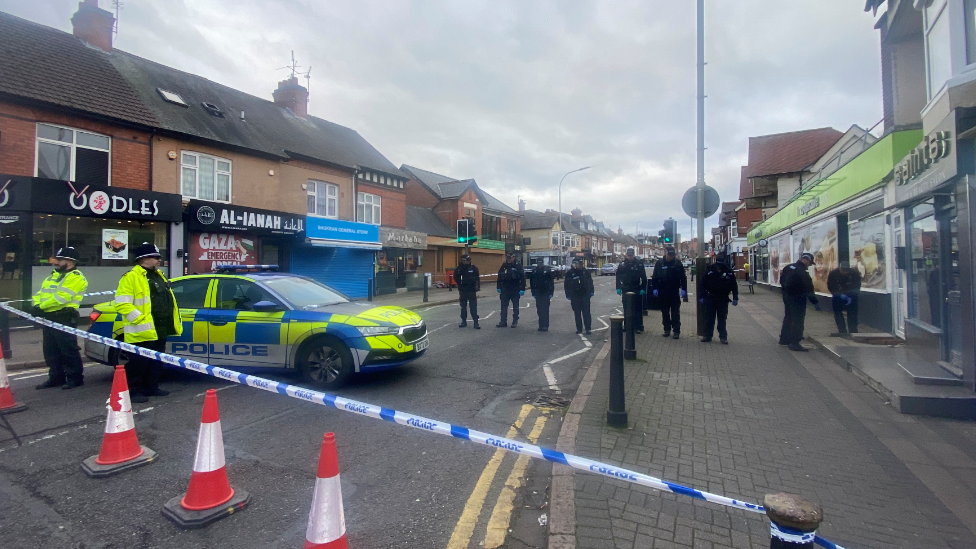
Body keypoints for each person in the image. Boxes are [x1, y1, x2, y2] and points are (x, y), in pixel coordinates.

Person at [116, 243, 183, 403]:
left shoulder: (158, 275)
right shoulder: (131, 277)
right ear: (144, 259)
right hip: (141, 330)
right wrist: (140, 319)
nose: (159, 260)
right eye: (156, 257)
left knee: (156, 361)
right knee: (138, 363)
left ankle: (151, 387)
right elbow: (122, 303)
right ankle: (135, 391)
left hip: (159, 328)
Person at [33, 247, 88, 390]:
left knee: (68, 350)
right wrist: (36, 304)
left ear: (70, 261)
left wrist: (41, 307)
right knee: (51, 350)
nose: (56, 262)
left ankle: (75, 378)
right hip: (49, 316)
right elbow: (40, 293)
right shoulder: (53, 275)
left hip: (64, 317)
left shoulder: (75, 277)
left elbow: (62, 298)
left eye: (59, 260)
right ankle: (56, 377)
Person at [779, 252, 820, 352]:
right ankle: (795, 342)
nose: (810, 265)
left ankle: (784, 339)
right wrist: (815, 302)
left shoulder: (788, 267)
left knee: (788, 317)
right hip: (798, 299)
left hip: (787, 297)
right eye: (810, 263)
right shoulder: (802, 272)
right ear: (806, 260)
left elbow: (781, 281)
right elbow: (809, 288)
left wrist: (786, 294)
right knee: (798, 320)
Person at [699, 252, 739, 344]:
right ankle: (707, 336)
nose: (719, 267)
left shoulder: (728, 271)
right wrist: (702, 296)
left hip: (723, 299)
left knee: (722, 319)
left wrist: (735, 297)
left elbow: (734, 286)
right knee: (709, 318)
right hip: (710, 298)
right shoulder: (709, 270)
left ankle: (723, 337)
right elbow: (702, 284)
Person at [651, 247, 687, 339]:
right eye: (669, 255)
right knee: (665, 311)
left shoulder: (677, 263)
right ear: (665, 253)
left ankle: (676, 331)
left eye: (672, 255)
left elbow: (683, 277)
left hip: (674, 290)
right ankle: (666, 329)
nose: (670, 257)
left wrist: (684, 289)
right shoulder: (659, 263)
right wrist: (654, 288)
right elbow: (654, 277)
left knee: (675, 312)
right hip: (663, 290)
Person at [615, 248, 647, 333]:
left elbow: (644, 277)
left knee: (637, 309)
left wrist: (643, 288)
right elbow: (618, 277)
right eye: (628, 255)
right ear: (626, 255)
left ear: (633, 255)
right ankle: (627, 326)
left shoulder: (639, 264)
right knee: (626, 308)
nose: (630, 257)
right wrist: (618, 287)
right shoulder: (622, 264)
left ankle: (638, 326)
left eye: (631, 255)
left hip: (636, 288)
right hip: (626, 288)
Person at [827, 261, 861, 335]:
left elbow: (857, 286)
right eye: (843, 270)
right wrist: (839, 294)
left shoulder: (854, 274)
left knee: (852, 314)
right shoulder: (833, 274)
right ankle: (842, 331)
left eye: (846, 271)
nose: (844, 272)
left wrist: (851, 296)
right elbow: (831, 286)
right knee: (838, 313)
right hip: (838, 297)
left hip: (851, 297)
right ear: (840, 268)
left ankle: (853, 331)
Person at [565, 258, 594, 334]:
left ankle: (588, 328)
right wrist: (568, 294)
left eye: (581, 264)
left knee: (586, 313)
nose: (580, 265)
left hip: (585, 295)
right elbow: (566, 285)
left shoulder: (586, 272)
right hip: (575, 296)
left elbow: (590, 282)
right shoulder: (570, 273)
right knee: (577, 313)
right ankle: (579, 328)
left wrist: (591, 292)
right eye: (579, 264)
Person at [496, 252, 525, 328]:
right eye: (508, 258)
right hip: (505, 289)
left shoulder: (518, 266)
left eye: (510, 258)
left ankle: (515, 321)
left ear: (514, 257)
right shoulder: (504, 265)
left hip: (515, 289)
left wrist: (522, 288)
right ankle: (503, 321)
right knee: (503, 307)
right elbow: (500, 276)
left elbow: (522, 277)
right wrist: (498, 286)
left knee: (515, 306)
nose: (509, 259)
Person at [454, 254, 481, 329]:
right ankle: (463, 321)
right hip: (463, 290)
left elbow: (477, 278)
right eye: (466, 260)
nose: (468, 261)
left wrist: (477, 287)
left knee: (473, 307)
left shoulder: (473, 268)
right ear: (463, 261)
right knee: (463, 307)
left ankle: (476, 322)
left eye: (469, 260)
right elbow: (455, 277)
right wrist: (460, 283)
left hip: (471, 290)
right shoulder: (459, 269)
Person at [529, 262, 554, 332]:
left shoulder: (547, 270)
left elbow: (551, 282)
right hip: (538, 293)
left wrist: (551, 292)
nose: (540, 264)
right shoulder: (535, 271)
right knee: (539, 310)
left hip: (546, 292)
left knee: (545, 310)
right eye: (538, 263)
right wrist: (533, 292)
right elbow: (532, 282)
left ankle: (545, 325)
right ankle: (541, 325)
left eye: (540, 263)